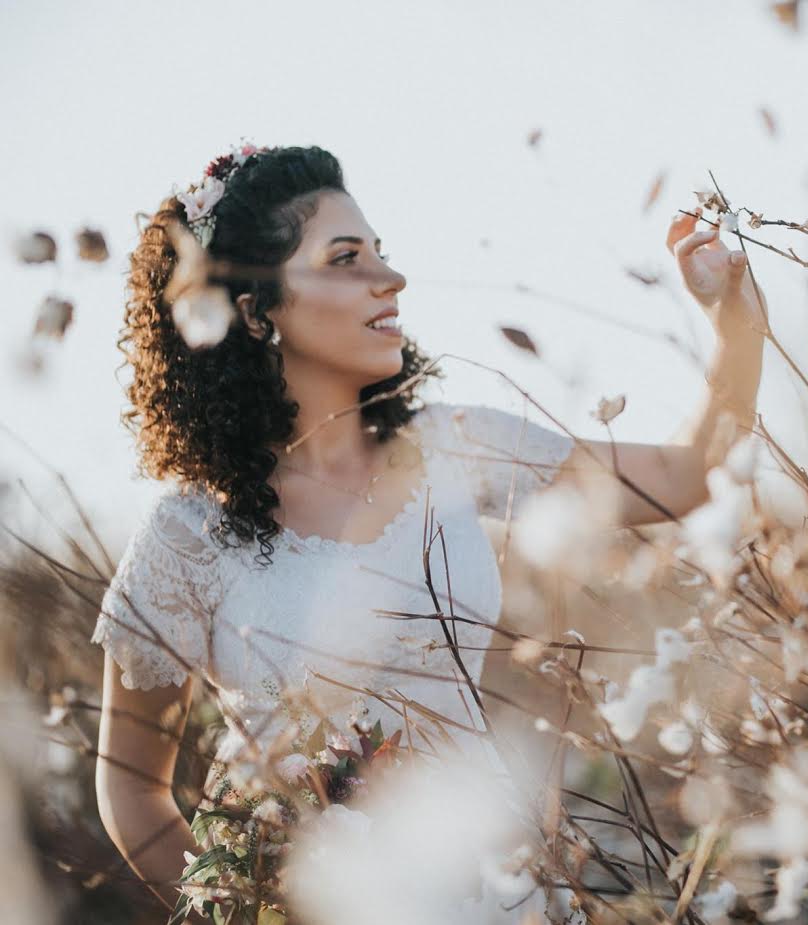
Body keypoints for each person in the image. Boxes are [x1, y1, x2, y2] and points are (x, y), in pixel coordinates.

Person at [90, 143, 768, 915]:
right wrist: (252, 911)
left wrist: (735, 331)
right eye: (346, 258)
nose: (391, 278)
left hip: (499, 889)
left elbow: (688, 477)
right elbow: (131, 786)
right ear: (254, 310)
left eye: (383, 253)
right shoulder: (187, 532)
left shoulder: (452, 446)